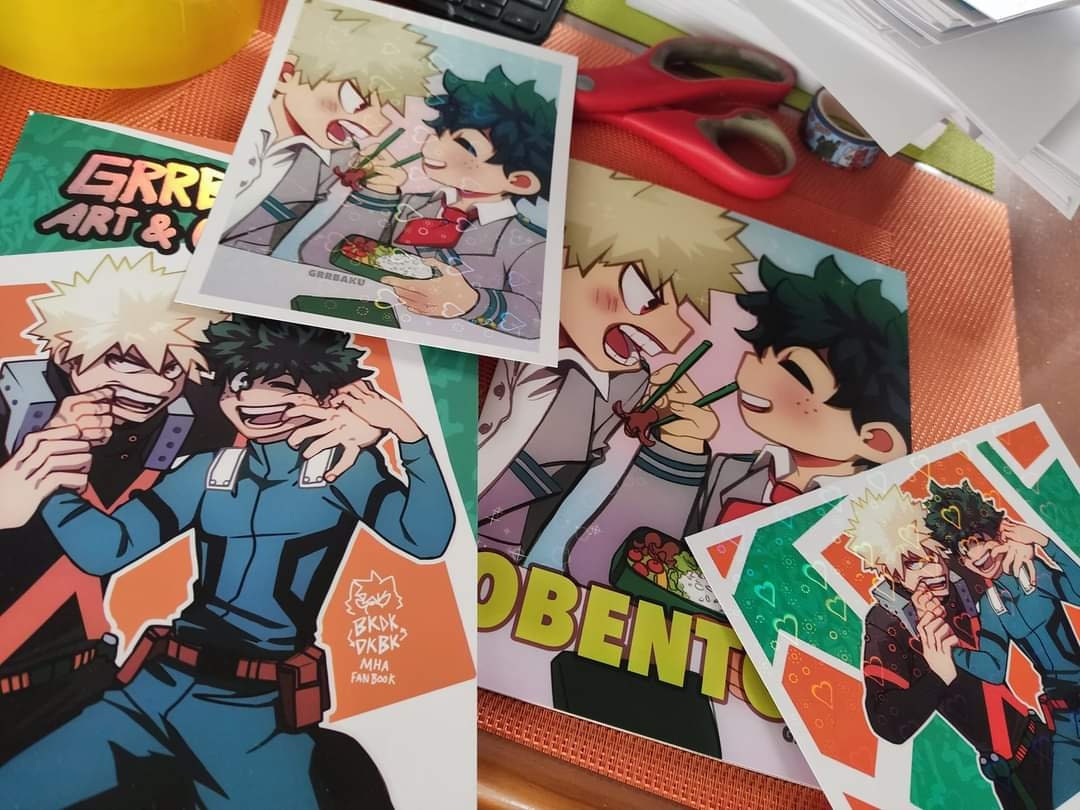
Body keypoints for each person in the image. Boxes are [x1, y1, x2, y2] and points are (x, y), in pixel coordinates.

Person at [0, 315, 455, 807]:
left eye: (281, 386)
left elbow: (425, 539)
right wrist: (54, 482)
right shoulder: (208, 471)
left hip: (252, 712)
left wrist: (408, 436)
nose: (252, 399)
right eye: (239, 383)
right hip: (153, 688)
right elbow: (107, 548)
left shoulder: (343, 469)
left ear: (326, 395)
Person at [0, 253, 232, 763]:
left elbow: (269, 401)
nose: (153, 386)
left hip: (85, 684)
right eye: (124, 362)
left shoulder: (183, 414)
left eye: (170, 367)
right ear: (68, 355)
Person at [560, 253, 911, 587]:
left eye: (795, 371)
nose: (754, 370)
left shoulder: (871, 530)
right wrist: (680, 450)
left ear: (876, 440)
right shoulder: (730, 474)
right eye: (760, 352)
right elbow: (596, 567)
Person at [476, 161, 751, 562]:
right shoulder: (516, 261)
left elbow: (624, 548)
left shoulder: (624, 386)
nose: (675, 337)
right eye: (646, 298)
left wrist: (680, 449)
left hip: (489, 550)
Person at [299, 66, 558, 339]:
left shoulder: (528, 244)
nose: (433, 147)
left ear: (520, 181)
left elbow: (538, 322)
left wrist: (473, 302)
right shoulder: (409, 205)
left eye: (465, 145)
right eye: (439, 133)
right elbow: (317, 257)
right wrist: (377, 195)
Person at [847, 486, 1052, 809]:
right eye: (915, 564)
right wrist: (938, 675)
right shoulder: (887, 623)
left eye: (934, 555)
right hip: (1010, 774)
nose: (934, 571)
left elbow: (988, 536)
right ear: (888, 571)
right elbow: (888, 724)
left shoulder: (958, 572)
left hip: (1044, 736)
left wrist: (1026, 548)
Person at [221, 2, 438, 256]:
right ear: (286, 74)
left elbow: (326, 256)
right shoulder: (223, 106)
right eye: (358, 102)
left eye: (383, 112)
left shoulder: (331, 166)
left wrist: (378, 194)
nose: (376, 127)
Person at [925, 480, 1080, 808]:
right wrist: (950, 649)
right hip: (1064, 720)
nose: (976, 555)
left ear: (997, 534)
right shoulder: (991, 605)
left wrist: (1044, 543)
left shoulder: (1034, 571)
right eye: (965, 550)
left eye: (979, 541)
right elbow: (994, 667)